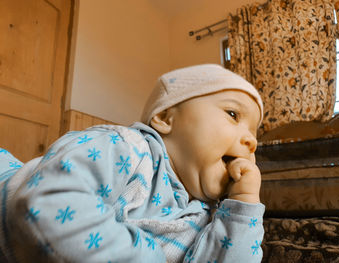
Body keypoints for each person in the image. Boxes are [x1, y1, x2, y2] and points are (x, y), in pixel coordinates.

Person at [0, 64, 265, 263]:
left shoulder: (208, 214)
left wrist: (243, 206)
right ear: (165, 118)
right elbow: (47, 205)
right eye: (233, 114)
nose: (251, 140)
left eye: (255, 133)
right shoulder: (127, 148)